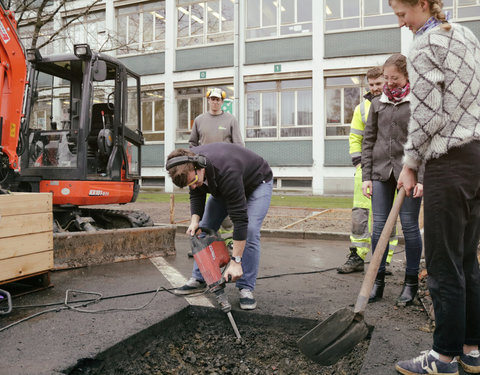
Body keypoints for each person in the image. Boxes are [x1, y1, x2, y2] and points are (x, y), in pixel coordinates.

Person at [389, 1, 480, 374]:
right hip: (477, 156)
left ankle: (442, 358)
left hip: (449, 160)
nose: (403, 23)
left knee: (442, 266)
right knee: (467, 261)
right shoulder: (467, 35)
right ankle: (471, 351)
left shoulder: (425, 44)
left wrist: (411, 164)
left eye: (402, 13)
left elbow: (427, 113)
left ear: (424, 5)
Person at [166, 143, 273, 310]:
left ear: (199, 167)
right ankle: (199, 279)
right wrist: (195, 221)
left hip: (257, 183)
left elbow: (240, 220)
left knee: (251, 231)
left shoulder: (226, 170)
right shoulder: (190, 165)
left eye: (194, 181)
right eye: (189, 185)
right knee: (204, 227)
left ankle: (246, 288)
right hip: (225, 187)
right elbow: (196, 194)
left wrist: (236, 261)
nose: (193, 186)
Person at [362, 53, 424, 306]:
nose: (389, 83)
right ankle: (377, 282)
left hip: (408, 174)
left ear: (407, 75)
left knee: (409, 227)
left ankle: (411, 284)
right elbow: (369, 140)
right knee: (379, 229)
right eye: (386, 78)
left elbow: (425, 143)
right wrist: (366, 176)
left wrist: (422, 178)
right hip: (380, 172)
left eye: (394, 78)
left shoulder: (417, 102)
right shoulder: (378, 103)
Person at [337, 66, 398, 275]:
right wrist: (358, 164)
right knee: (360, 214)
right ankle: (357, 256)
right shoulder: (361, 108)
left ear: (386, 82)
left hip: (389, 169)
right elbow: (355, 137)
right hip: (366, 169)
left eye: (378, 83)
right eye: (371, 84)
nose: (374, 88)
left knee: (387, 215)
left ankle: (385, 259)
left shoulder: (396, 104)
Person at [188, 87, 244, 255]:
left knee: (224, 204)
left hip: (223, 170)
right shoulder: (199, 120)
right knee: (199, 204)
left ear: (222, 101)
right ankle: (207, 241)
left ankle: (230, 240)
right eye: (212, 99)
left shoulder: (230, 120)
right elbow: (192, 144)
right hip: (202, 170)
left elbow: (239, 146)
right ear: (208, 100)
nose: (215, 101)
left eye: (218, 99)